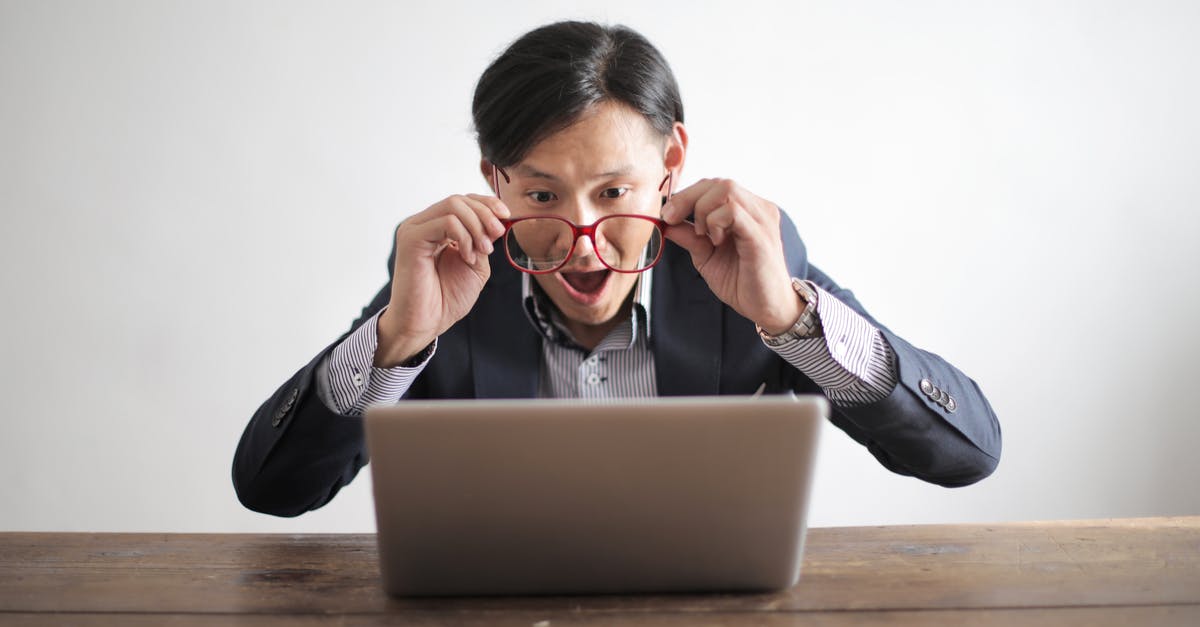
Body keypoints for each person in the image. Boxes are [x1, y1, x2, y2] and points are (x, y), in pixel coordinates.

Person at [233, 21, 1001, 517]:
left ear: (670, 165)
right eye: (541, 193)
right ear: (494, 180)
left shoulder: (748, 264)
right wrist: (397, 340)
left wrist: (791, 320)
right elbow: (272, 489)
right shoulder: (452, 279)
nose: (583, 239)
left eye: (614, 193)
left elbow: (967, 454)